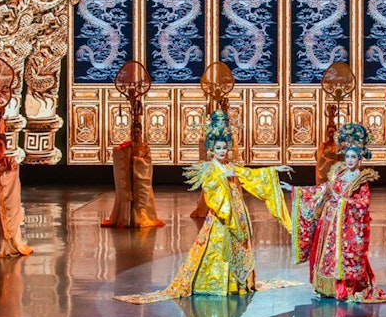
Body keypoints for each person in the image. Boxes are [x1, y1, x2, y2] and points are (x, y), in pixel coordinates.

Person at [116, 110, 292, 304]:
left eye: (225, 147)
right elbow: (210, 192)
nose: (222, 151)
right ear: (211, 149)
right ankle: (215, 283)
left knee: (239, 248)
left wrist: (273, 170)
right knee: (218, 249)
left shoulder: (229, 167)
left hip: (238, 215)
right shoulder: (210, 169)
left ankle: (239, 283)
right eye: (218, 148)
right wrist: (222, 182)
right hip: (222, 217)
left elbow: (250, 176)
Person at [282, 123, 386, 303]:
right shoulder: (338, 173)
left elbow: (363, 205)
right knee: (327, 255)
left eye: (354, 156)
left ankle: (345, 287)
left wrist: (344, 203)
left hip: (346, 227)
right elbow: (322, 190)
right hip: (330, 223)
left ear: (360, 158)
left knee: (342, 255)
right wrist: (294, 189)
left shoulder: (361, 179)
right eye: (347, 156)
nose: (350, 160)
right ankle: (326, 287)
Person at [102, 139, 164, 228]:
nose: (136, 134)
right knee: (128, 196)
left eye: (137, 132)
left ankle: (140, 218)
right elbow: (118, 153)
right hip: (129, 176)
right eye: (134, 132)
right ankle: (127, 219)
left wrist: (136, 159)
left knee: (142, 197)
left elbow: (148, 161)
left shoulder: (145, 147)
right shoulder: (127, 146)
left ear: (141, 133)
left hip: (139, 176)